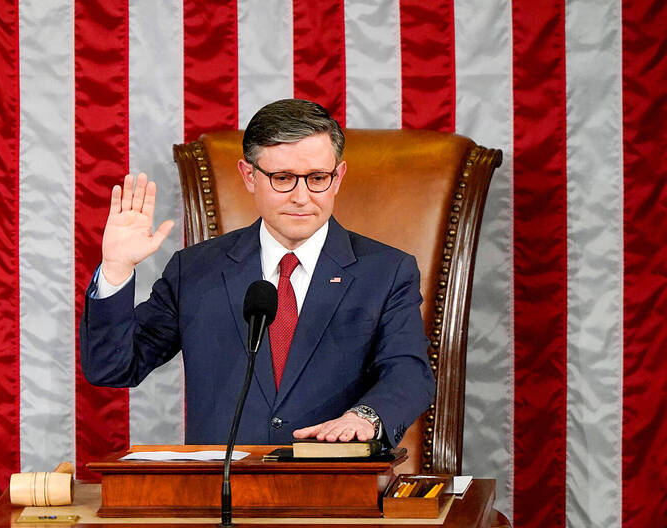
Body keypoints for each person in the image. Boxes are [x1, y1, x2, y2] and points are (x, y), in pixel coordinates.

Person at [80, 99, 434, 448]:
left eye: (317, 178)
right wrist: (116, 269)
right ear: (249, 176)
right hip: (221, 492)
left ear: (338, 177)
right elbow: (114, 368)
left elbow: (408, 371)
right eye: (282, 178)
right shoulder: (196, 270)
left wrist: (364, 417)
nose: (301, 196)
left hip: (335, 488)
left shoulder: (386, 271)